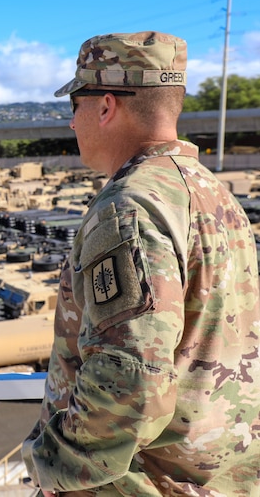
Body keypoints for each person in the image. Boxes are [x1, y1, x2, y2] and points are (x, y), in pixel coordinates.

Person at [21, 31, 260, 496]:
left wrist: (56, 468)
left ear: (106, 105)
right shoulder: (215, 194)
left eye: (75, 105)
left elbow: (131, 376)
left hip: (138, 483)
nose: (72, 123)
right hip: (218, 476)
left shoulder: (129, 206)